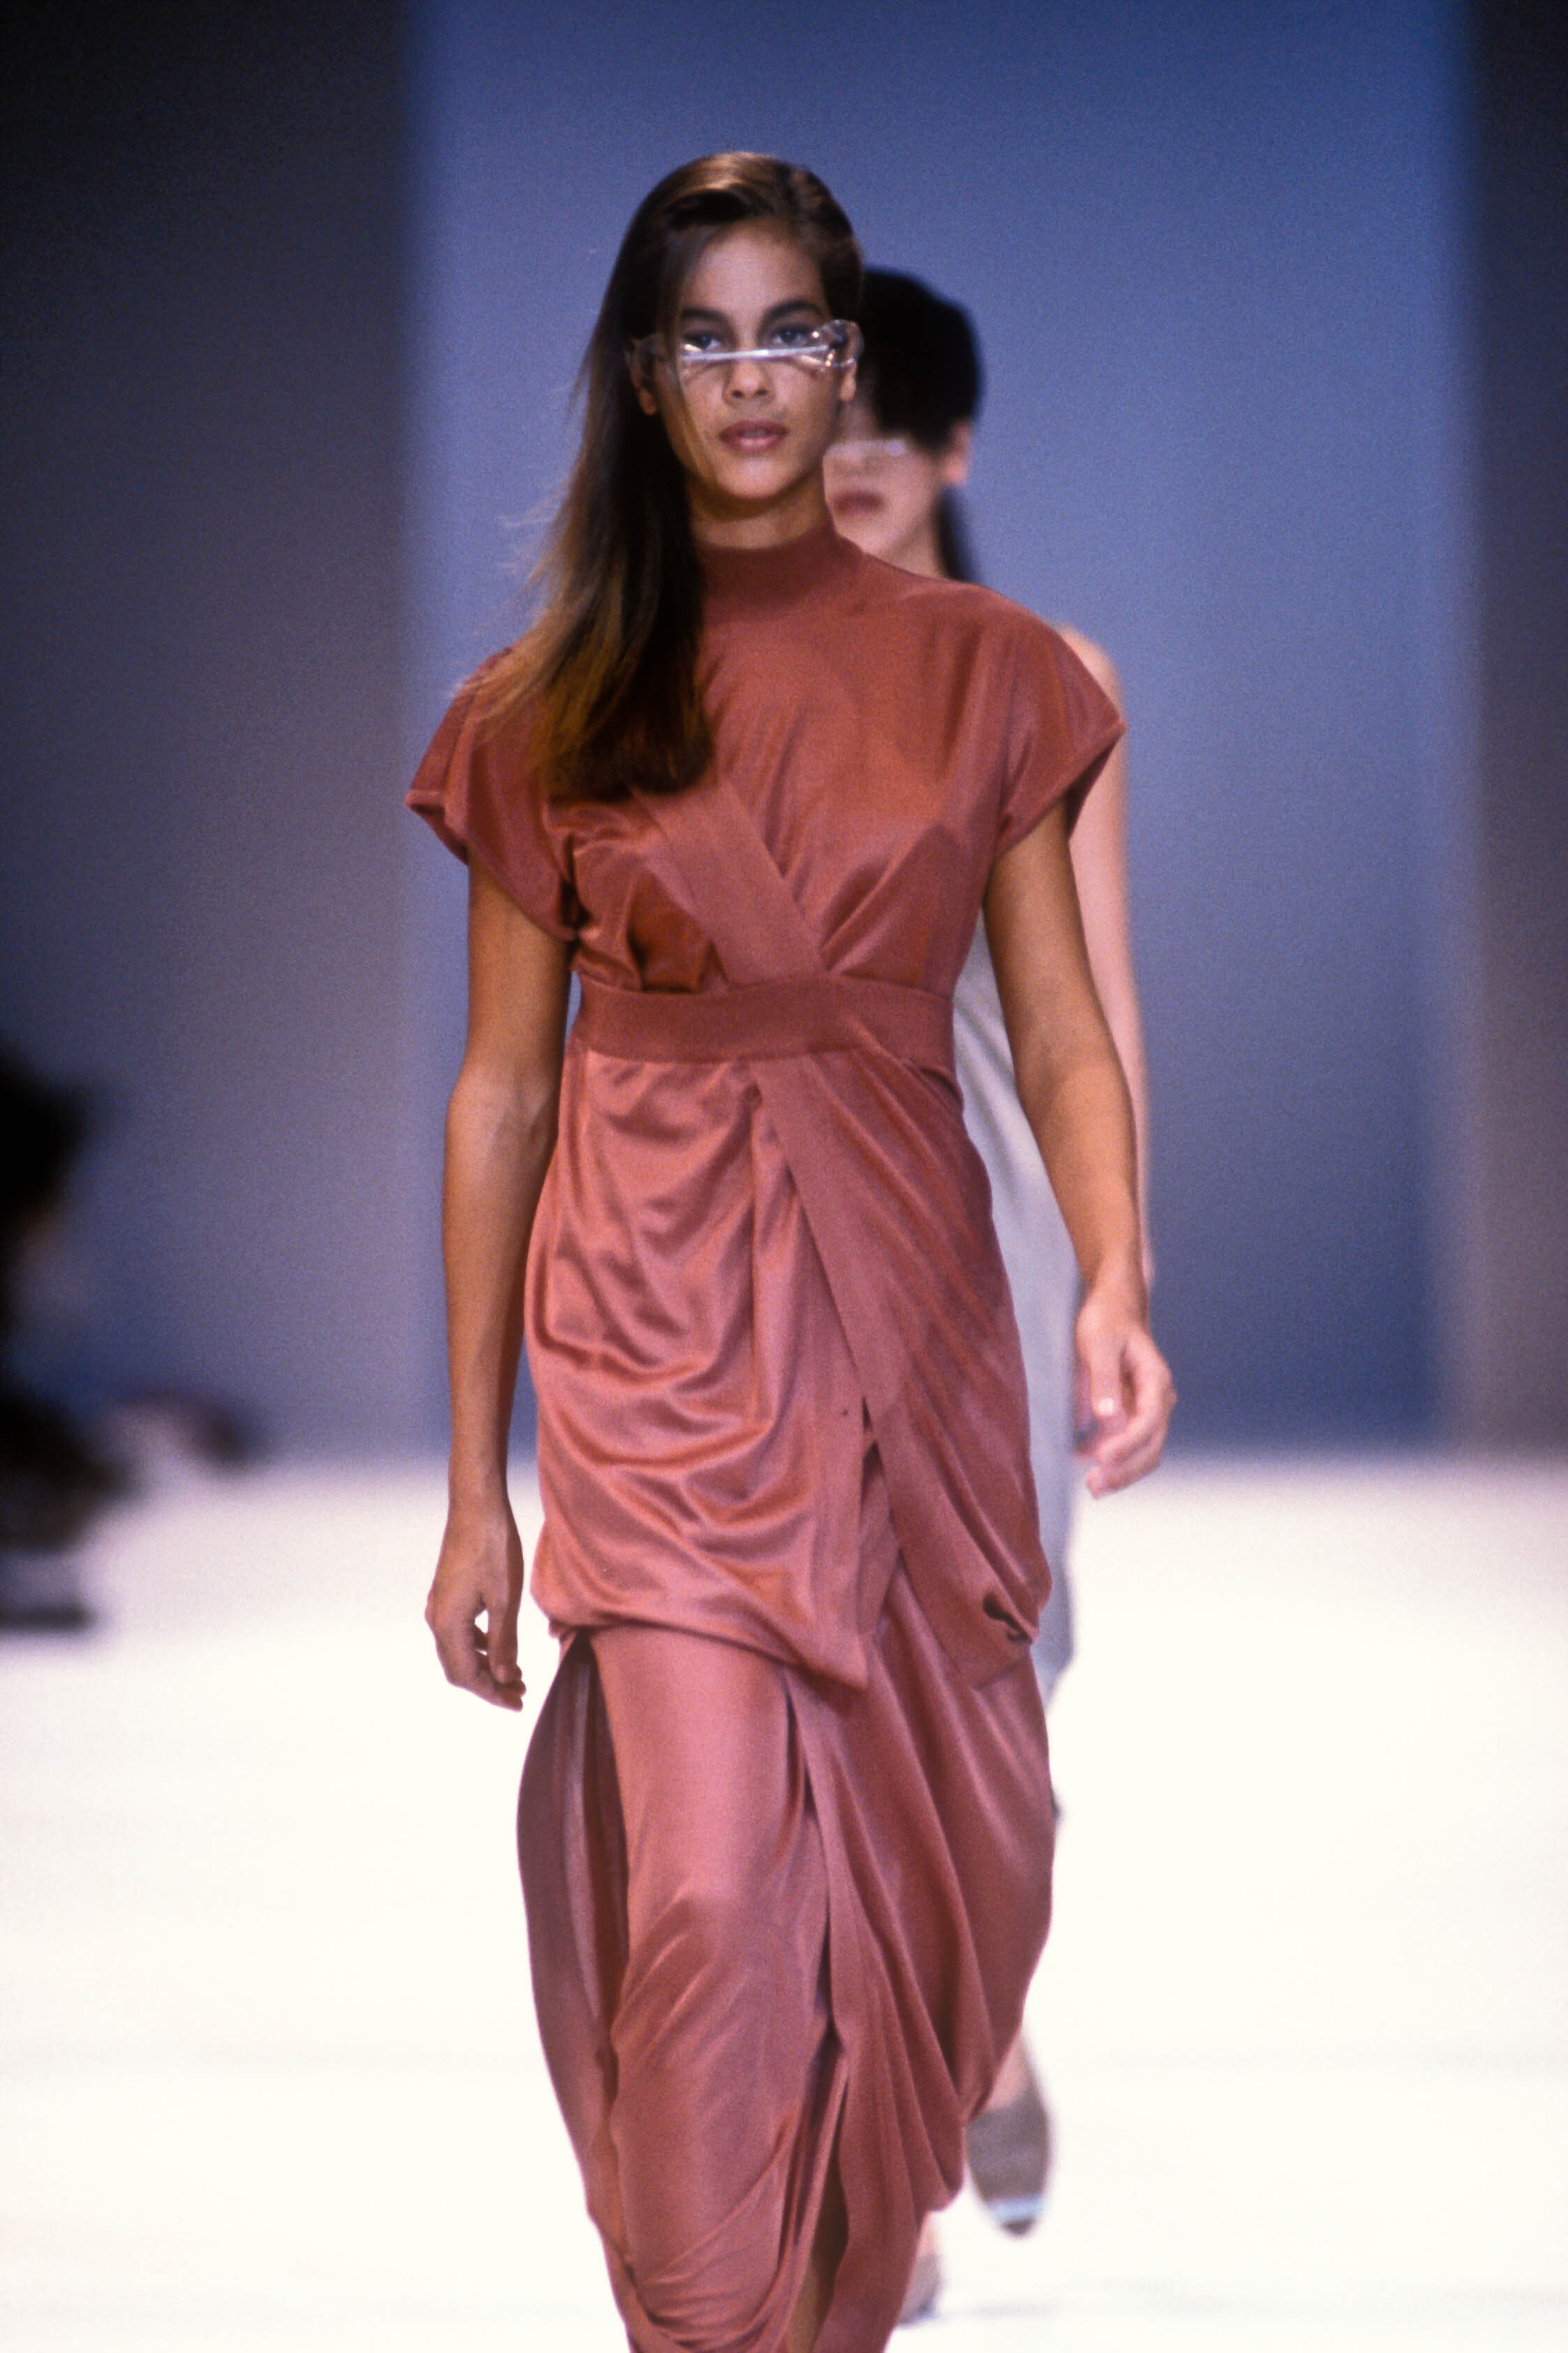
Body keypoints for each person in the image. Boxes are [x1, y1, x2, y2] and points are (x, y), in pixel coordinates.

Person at [409, 154, 1173, 2353]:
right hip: (654, 1320)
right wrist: (473, 1484)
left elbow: (1062, 1029)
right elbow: (502, 1095)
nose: (754, 381)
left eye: (792, 336)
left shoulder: (992, 676)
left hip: (915, 1313)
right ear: (644, 379)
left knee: (956, 1874)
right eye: (706, 339)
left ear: (848, 370)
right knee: (707, 1891)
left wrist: (1113, 1279)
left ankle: (831, 2275)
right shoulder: (546, 701)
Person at [826, 270, 1151, 2299]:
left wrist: (1120, 1273)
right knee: (813, 1676)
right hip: (783, 1212)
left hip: (994, 1218)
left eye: (892, 424)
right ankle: (888, 2164)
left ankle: (984, 2029)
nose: (852, 458)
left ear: (955, 449)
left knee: (984, 1675)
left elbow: (1092, 1006)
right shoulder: (708, 668)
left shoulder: (1046, 676)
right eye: (826, 415)